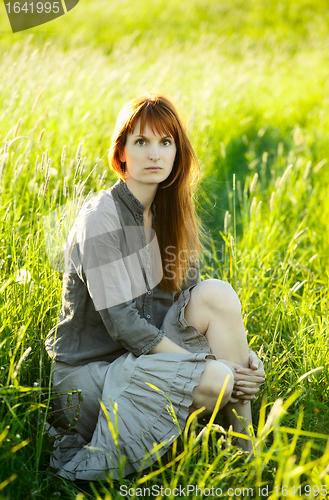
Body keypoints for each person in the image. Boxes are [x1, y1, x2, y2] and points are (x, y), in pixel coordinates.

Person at [45, 92, 265, 481]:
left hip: (142, 361)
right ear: (122, 153)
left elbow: (187, 301)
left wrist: (246, 362)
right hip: (88, 378)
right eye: (141, 142)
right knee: (217, 379)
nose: (155, 154)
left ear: (177, 153)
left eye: (166, 143)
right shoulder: (101, 218)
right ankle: (202, 433)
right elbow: (122, 322)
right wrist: (205, 364)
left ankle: (247, 457)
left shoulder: (170, 214)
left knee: (219, 294)